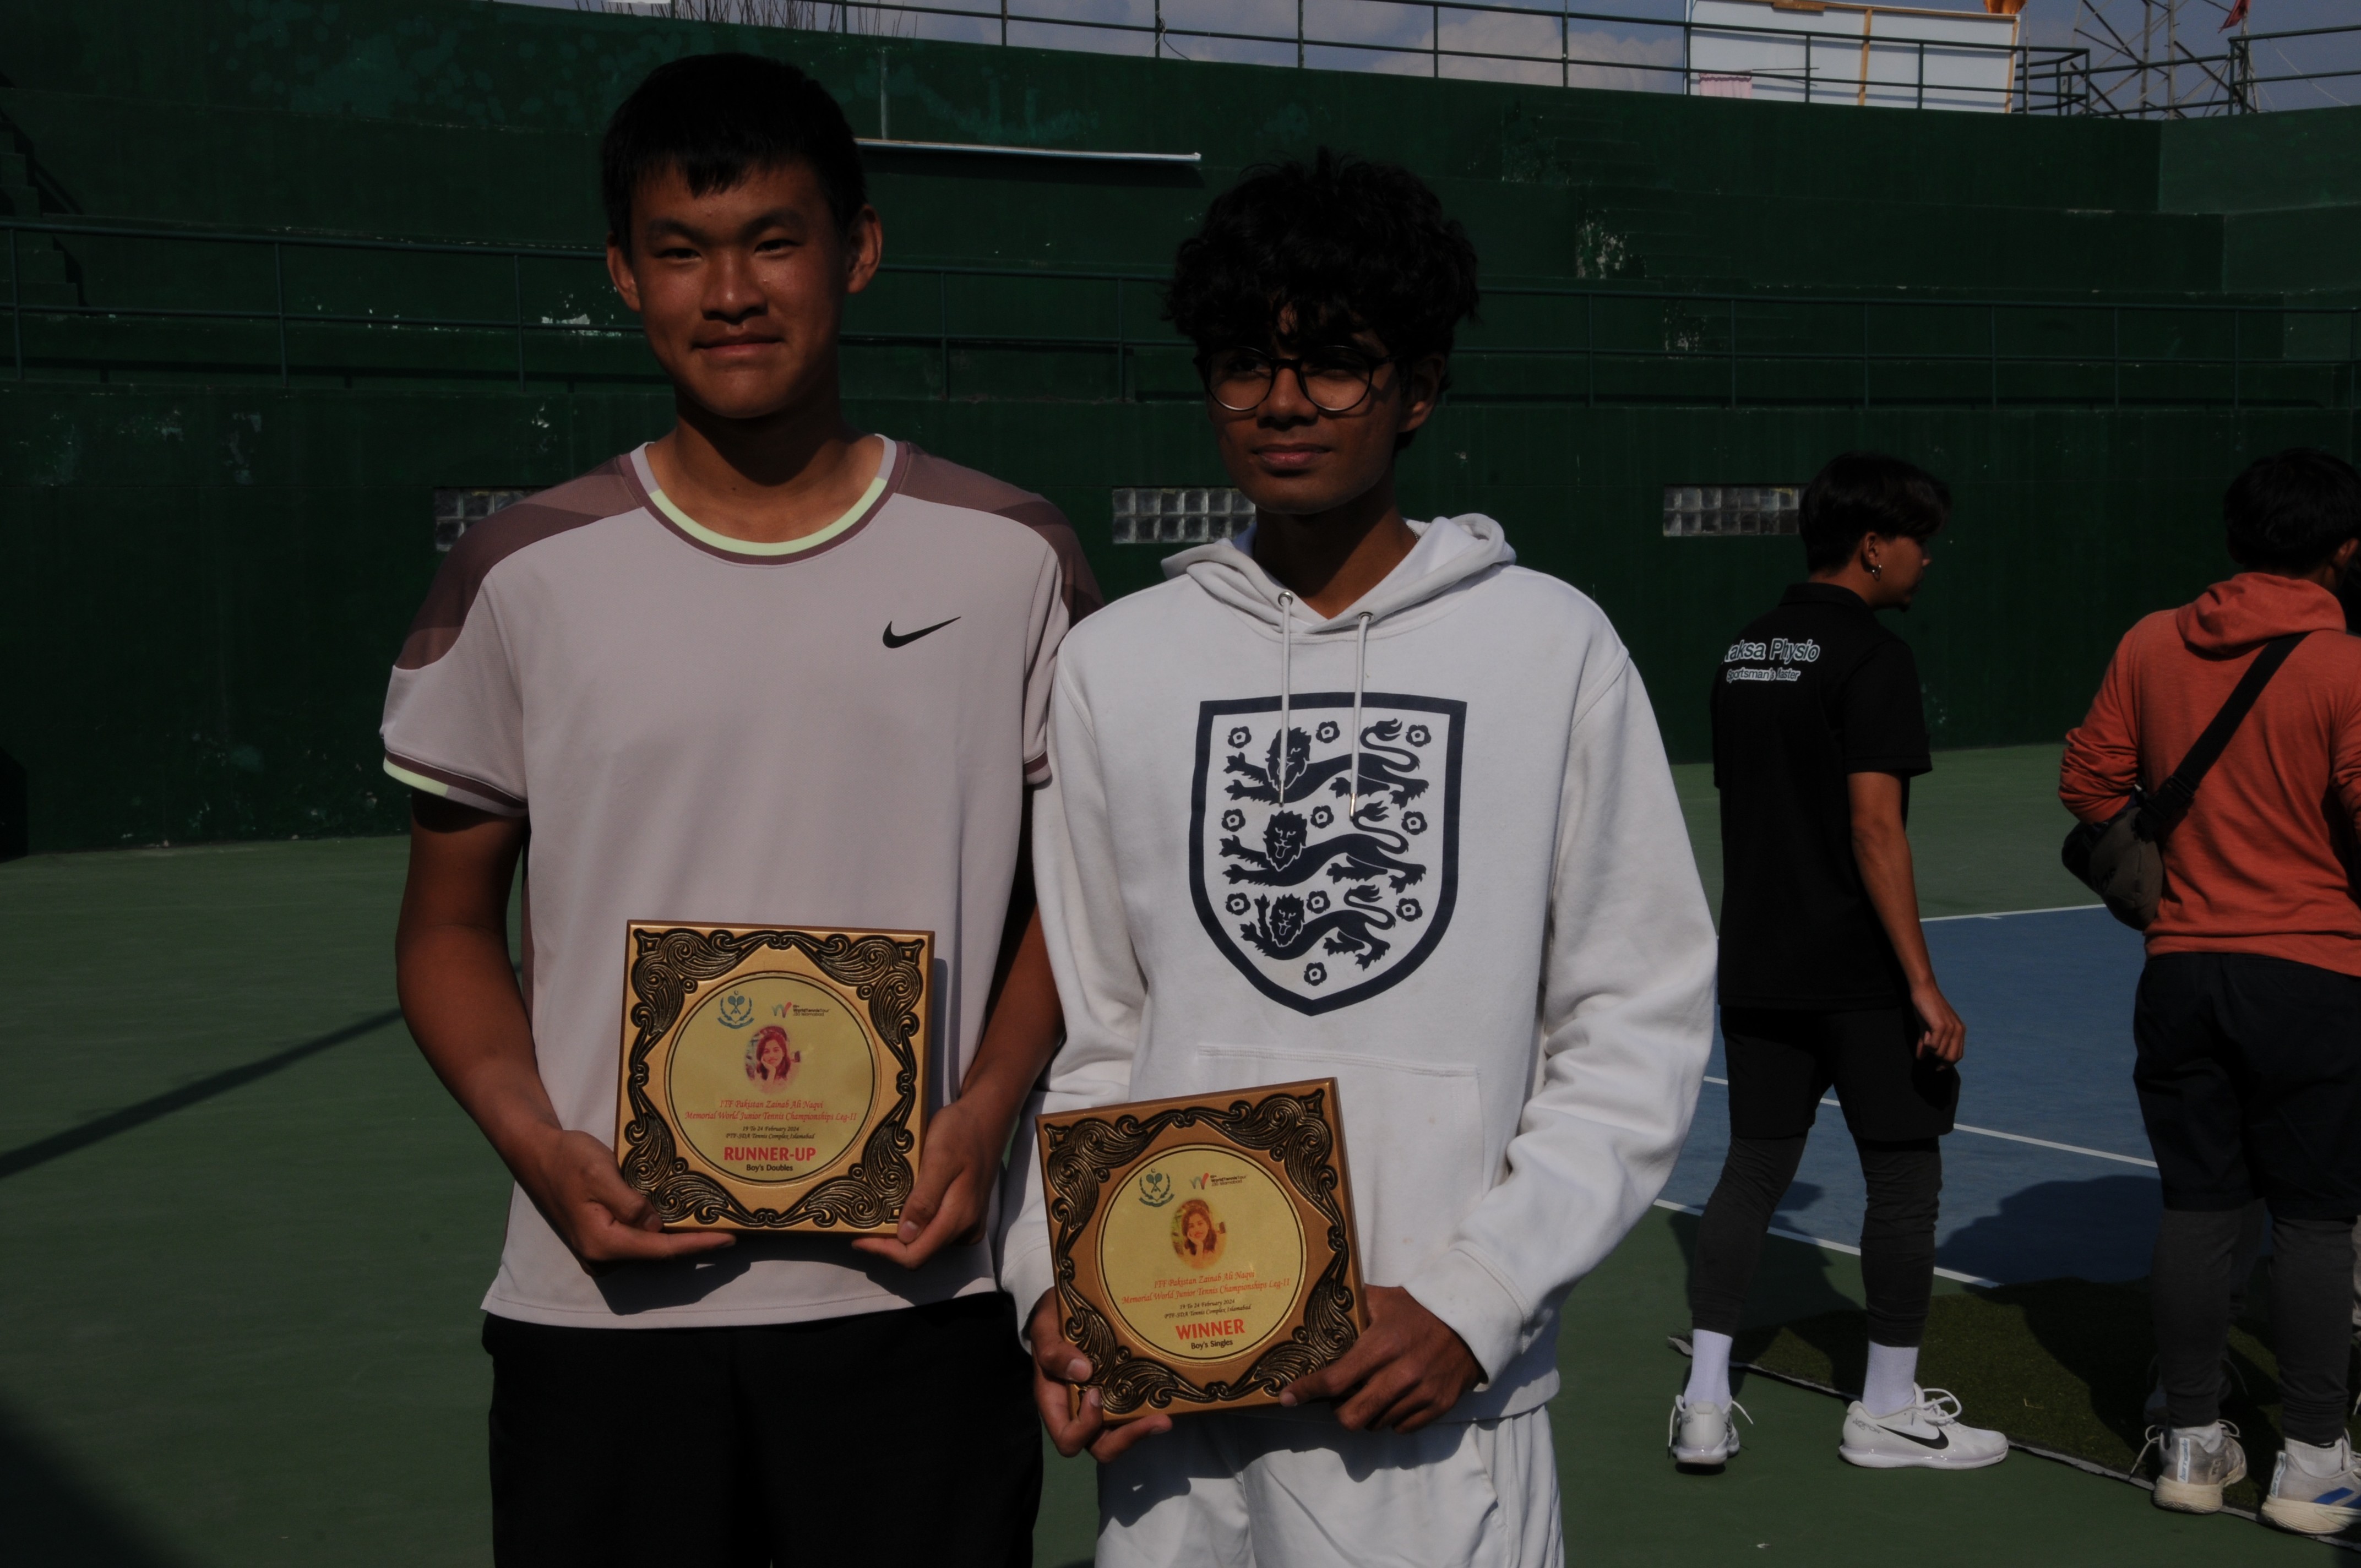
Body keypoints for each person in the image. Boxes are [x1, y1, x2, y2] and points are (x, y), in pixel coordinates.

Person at [384, 53, 1098, 1568]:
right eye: (682, 250)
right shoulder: (518, 570)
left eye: (775, 239)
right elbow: (446, 930)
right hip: (604, 1305)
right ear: (624, 277)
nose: (732, 291)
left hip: (922, 1301)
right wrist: (536, 1143)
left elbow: (1076, 907)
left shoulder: (1012, 554)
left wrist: (985, 1112)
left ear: (859, 248)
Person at [1001, 149, 1716, 1566]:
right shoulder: (1112, 664)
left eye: (1335, 364)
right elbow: (1095, 1034)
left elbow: (1632, 1018)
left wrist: (1480, 1289)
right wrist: (1056, 1280)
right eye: (1242, 365)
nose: (1282, 403)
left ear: (1419, 387)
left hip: (1433, 1387)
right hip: (1175, 1390)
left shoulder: (1549, 645)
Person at [1670, 453, 2009, 1474]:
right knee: (1904, 1181)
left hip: (1760, 965)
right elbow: (1874, 830)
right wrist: (1921, 980)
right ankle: (1888, 1410)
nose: (1927, 562)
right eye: (1919, 543)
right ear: (1874, 545)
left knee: (1753, 1168)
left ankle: (1701, 1403)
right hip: (1858, 974)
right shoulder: (1875, 657)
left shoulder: (1743, 652)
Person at [2062, 447, 2361, 1534]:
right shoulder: (2343, 666)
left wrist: (2158, 866)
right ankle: (2313, 1460)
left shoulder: (2151, 639)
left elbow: (2087, 778)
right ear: (2342, 550)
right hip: (2314, 971)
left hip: (2180, 970)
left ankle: (2190, 1442)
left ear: (2233, 539)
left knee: (2196, 1206)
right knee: (2316, 1220)